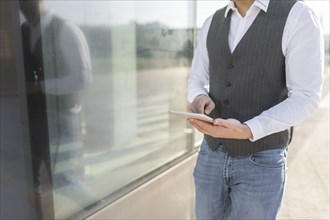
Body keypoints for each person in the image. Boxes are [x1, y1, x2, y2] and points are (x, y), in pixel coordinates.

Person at [188, 0, 323, 219]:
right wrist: (198, 95)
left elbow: (306, 97)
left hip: (262, 159)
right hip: (210, 155)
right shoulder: (212, 22)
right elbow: (196, 78)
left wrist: (249, 129)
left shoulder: (298, 15)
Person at [19, 0, 98, 218]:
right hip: (31, 118)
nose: (23, 6)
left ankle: (101, 210)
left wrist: (40, 87)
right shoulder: (23, 31)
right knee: (28, 178)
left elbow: (84, 79)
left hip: (61, 118)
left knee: (62, 180)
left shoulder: (66, 29)